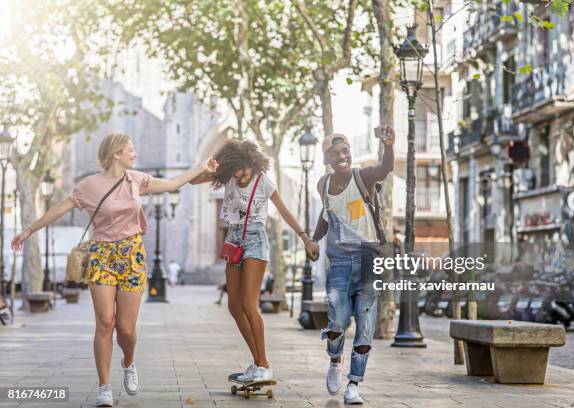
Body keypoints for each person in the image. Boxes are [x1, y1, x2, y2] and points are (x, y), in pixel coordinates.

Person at [11, 133, 212, 408]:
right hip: (102, 256)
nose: (135, 154)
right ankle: (104, 387)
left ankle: (128, 362)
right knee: (105, 322)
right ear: (116, 153)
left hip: (132, 255)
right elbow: (59, 208)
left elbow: (172, 184)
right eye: (131, 149)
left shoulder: (137, 179)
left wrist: (202, 166)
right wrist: (28, 230)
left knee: (126, 329)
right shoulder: (89, 185)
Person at [190, 139, 319, 383]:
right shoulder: (228, 176)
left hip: (255, 239)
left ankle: (264, 364)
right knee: (234, 307)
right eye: (234, 170)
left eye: (242, 169)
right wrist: (205, 166)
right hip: (233, 238)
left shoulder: (263, 182)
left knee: (249, 305)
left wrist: (305, 239)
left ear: (251, 163)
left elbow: (284, 211)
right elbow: (193, 180)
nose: (239, 175)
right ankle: (257, 362)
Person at [311, 128, 395, 404]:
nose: (342, 156)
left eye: (345, 150)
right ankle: (335, 359)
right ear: (327, 158)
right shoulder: (323, 184)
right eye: (335, 153)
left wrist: (388, 144)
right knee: (336, 322)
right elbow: (326, 216)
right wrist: (313, 241)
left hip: (369, 261)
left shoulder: (363, 176)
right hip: (339, 263)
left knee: (365, 324)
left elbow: (385, 167)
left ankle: (354, 384)